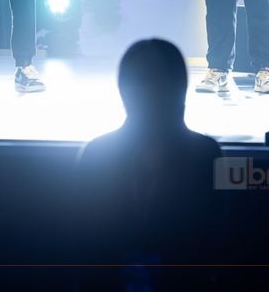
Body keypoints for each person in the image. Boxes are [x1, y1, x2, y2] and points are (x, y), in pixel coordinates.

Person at [75, 39, 223, 268]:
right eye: (145, 81)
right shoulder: (209, 155)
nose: (151, 90)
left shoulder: (96, 154)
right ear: (181, 87)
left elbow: (84, 245)